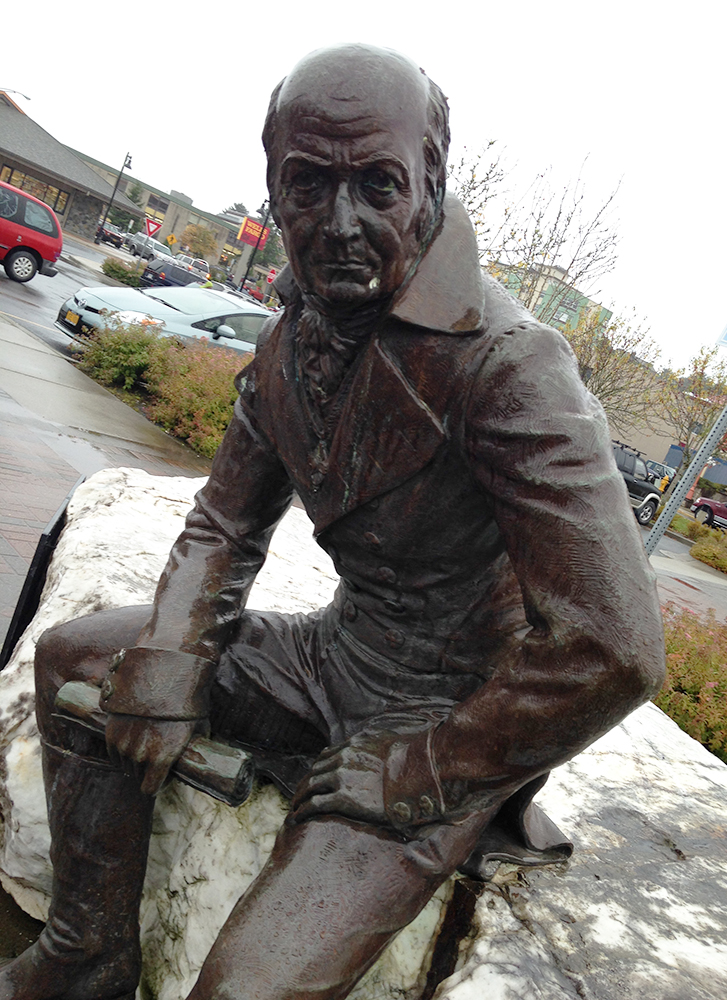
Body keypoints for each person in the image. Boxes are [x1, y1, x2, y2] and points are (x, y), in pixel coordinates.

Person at [0, 44, 665, 1000]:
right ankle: (89, 953)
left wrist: (424, 769)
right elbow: (223, 527)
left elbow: (616, 645)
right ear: (271, 191)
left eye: (377, 185)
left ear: (432, 181)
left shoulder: (510, 363)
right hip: (330, 661)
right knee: (82, 661)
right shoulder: (285, 343)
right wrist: (175, 657)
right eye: (306, 186)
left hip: (445, 716)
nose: (339, 225)